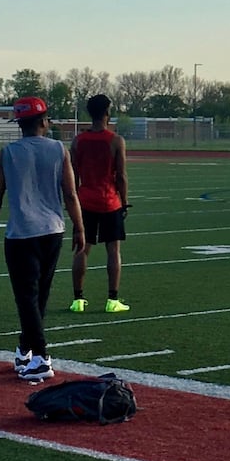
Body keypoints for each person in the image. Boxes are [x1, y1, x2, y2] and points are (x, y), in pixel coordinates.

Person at [0, 97, 86, 383]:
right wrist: (80, 227)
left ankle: (40, 357)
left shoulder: (8, 153)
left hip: (22, 232)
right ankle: (26, 349)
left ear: (20, 124)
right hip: (53, 230)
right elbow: (71, 194)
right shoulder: (59, 150)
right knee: (40, 295)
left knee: (26, 297)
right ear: (43, 121)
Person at [68, 94, 130, 315]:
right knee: (113, 250)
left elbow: (72, 175)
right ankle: (112, 299)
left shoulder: (78, 141)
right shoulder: (115, 141)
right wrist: (125, 202)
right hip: (109, 201)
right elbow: (121, 176)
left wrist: (73, 198)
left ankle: (78, 299)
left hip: (85, 200)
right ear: (107, 113)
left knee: (82, 249)